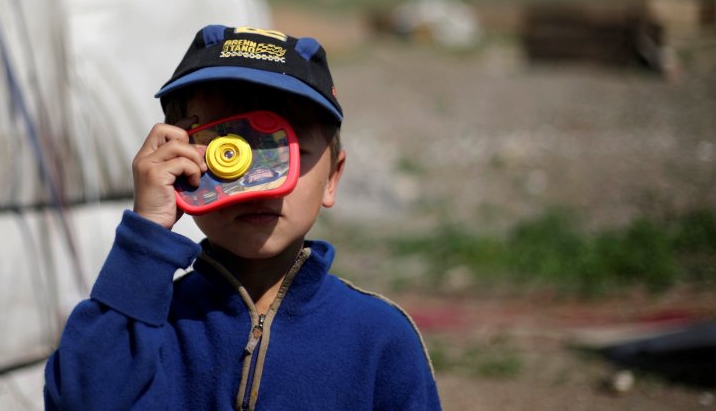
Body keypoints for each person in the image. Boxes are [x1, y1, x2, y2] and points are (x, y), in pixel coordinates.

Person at [44, 25, 441, 410]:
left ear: (332, 178)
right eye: (229, 152)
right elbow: (78, 400)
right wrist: (146, 233)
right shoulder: (144, 327)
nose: (262, 184)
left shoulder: (378, 337)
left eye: (286, 152)